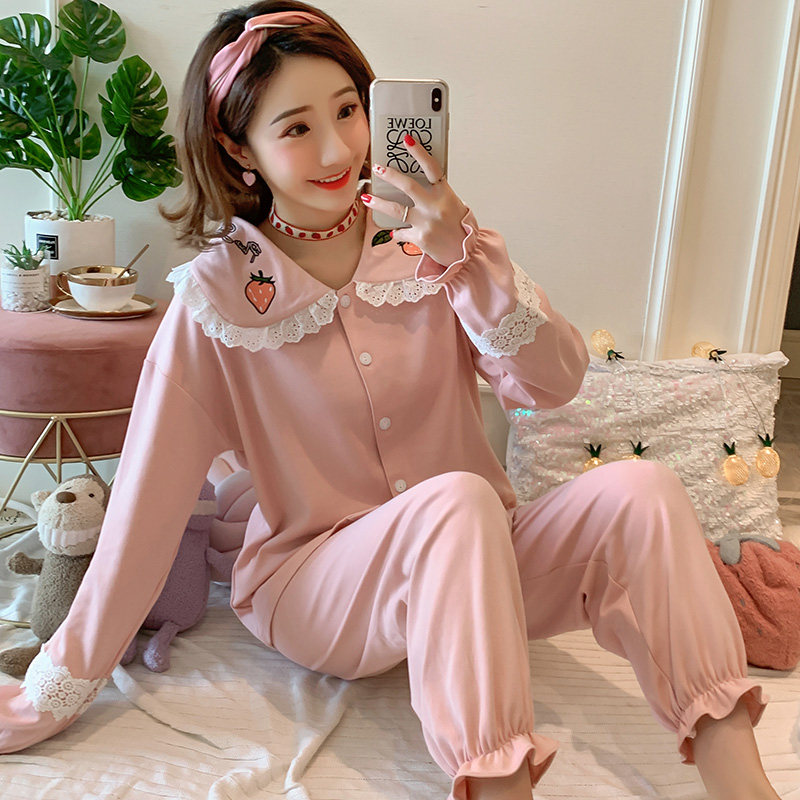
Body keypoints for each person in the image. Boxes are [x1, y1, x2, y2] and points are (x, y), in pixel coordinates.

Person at [0, 2, 783, 799]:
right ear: (238, 148)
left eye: (348, 111)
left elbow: (556, 383)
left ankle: (742, 784)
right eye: (296, 128)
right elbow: (143, 510)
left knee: (643, 491)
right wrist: (50, 691)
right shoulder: (215, 301)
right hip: (318, 585)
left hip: (476, 560)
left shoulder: (436, 247)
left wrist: (466, 261)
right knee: (457, 502)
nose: (339, 149)